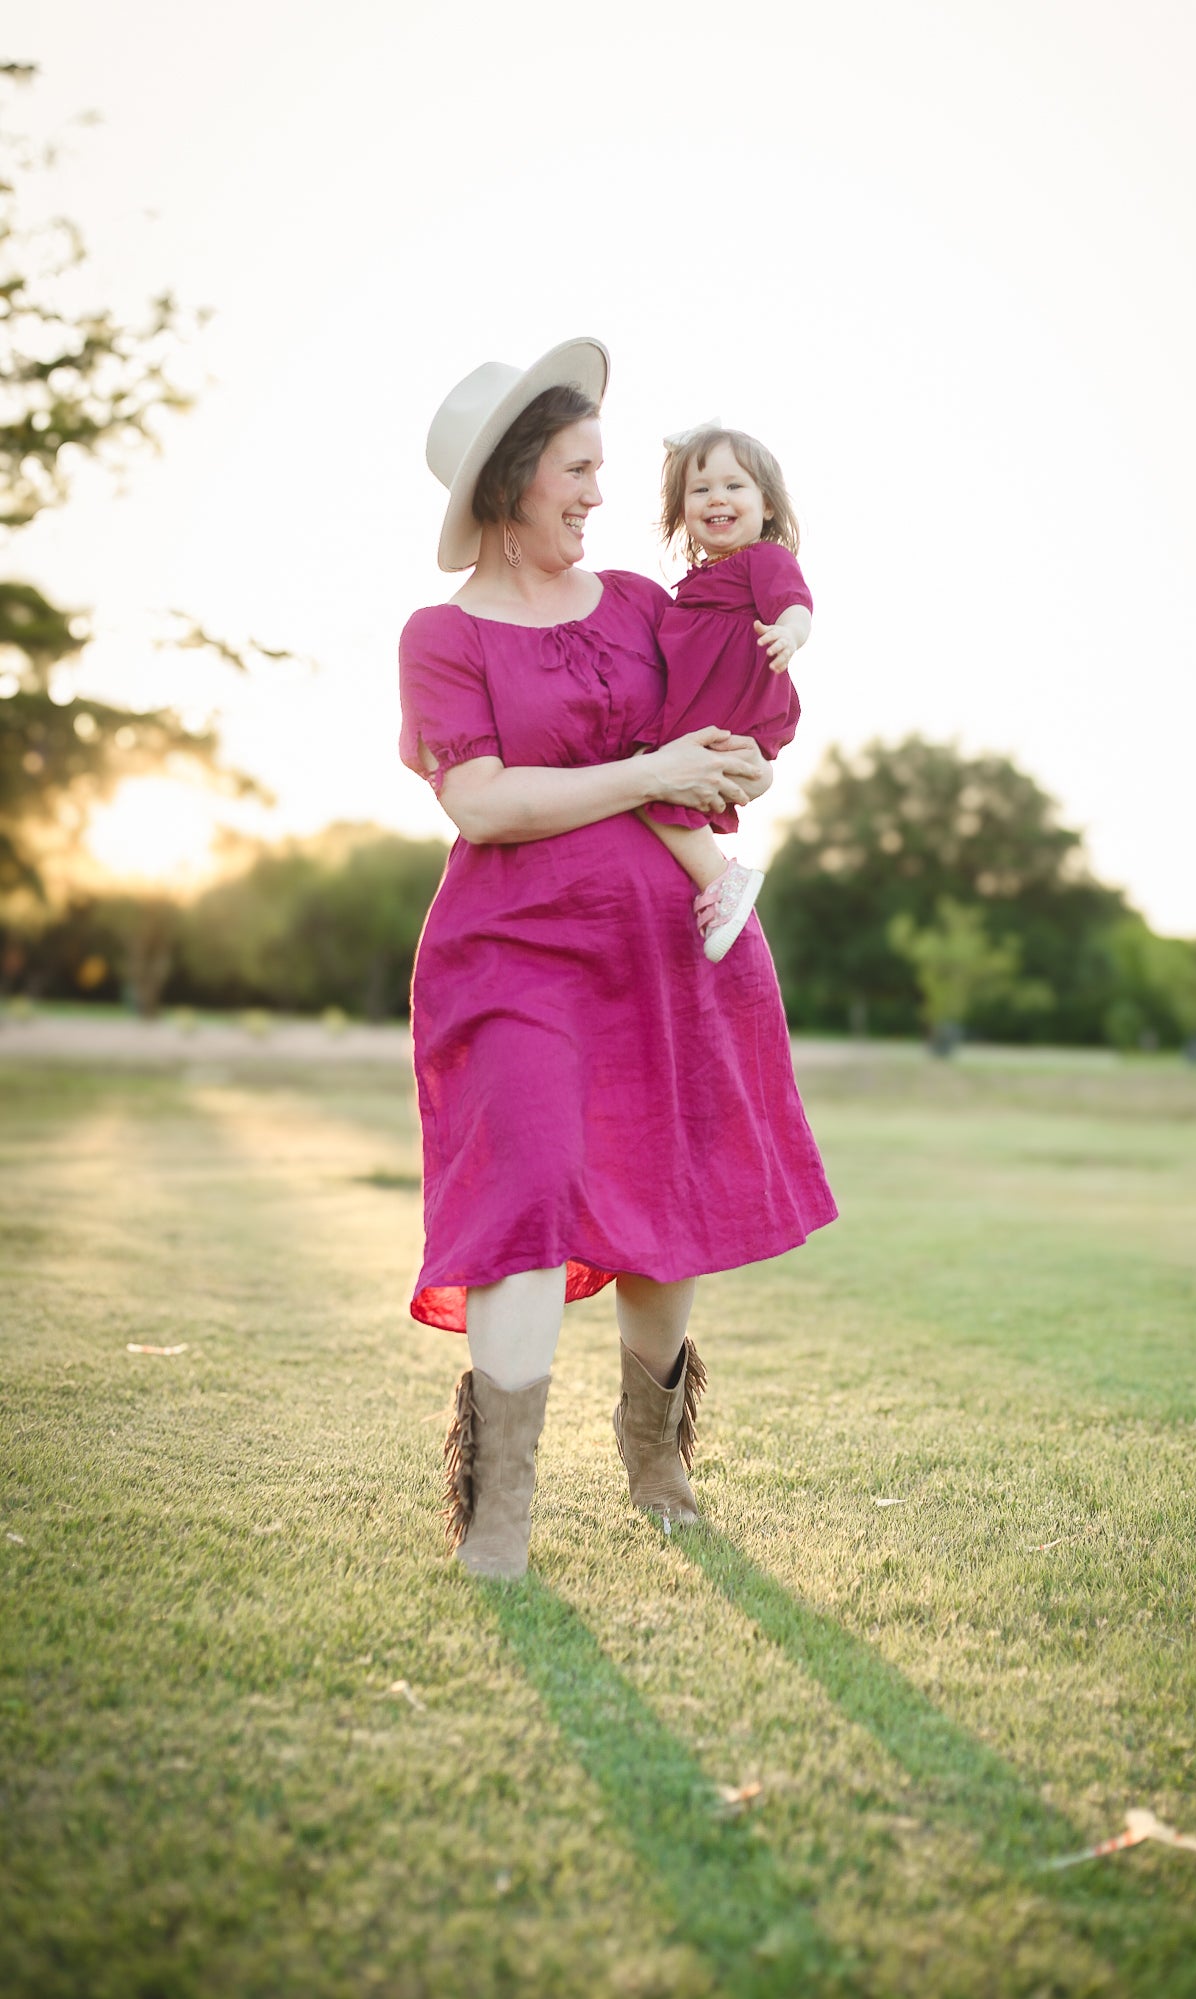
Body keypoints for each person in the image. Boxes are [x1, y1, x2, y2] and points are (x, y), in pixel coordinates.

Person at [398, 337, 837, 1581]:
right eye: (580, 470)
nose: (600, 494)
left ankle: (656, 1456)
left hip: (673, 950)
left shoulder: (649, 606)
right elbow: (480, 803)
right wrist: (651, 772)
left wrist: (743, 758)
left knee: (667, 1214)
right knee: (527, 1188)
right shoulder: (440, 636)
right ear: (516, 478)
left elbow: (730, 723)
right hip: (515, 958)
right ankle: (498, 1513)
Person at [640, 424, 812, 963]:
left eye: (734, 486)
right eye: (700, 488)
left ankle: (722, 879)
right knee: (655, 783)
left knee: (650, 785)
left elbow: (796, 606)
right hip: (702, 709)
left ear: (766, 507)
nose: (717, 497)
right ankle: (709, 883)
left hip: (730, 707)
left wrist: (789, 634)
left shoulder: (764, 559)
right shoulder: (696, 580)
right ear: (682, 509)